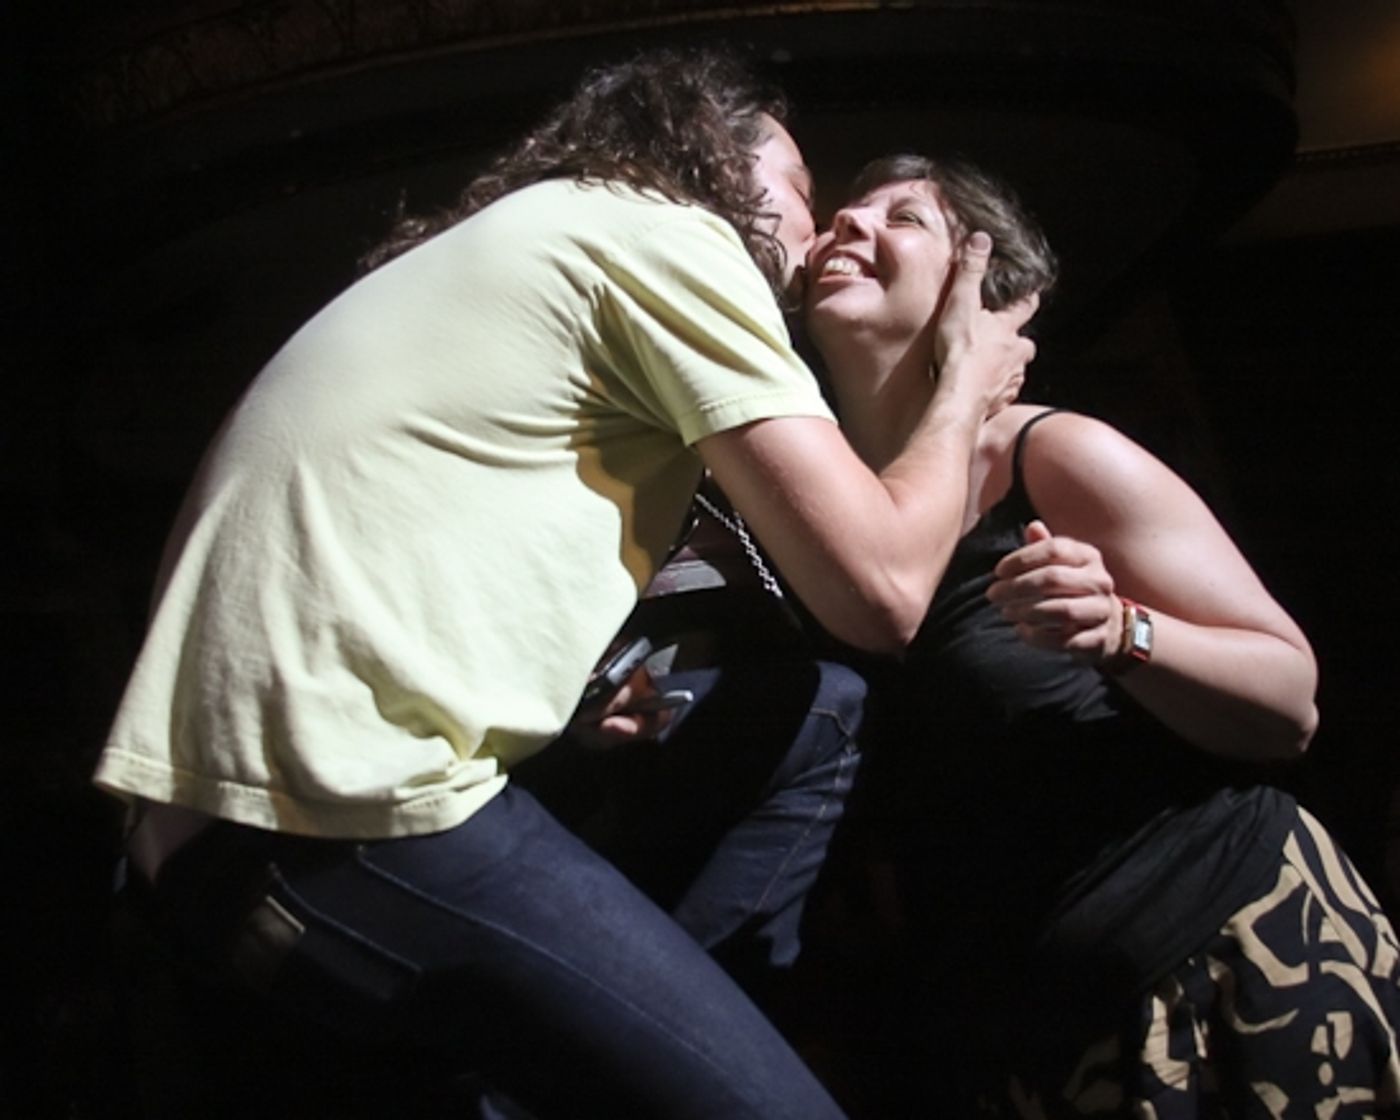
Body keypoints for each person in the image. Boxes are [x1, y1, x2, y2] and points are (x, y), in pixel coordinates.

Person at [93, 46, 1035, 1119]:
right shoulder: (663, 232)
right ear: (711, 157)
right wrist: (962, 377)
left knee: (817, 710)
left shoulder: (522, 245)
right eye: (803, 191)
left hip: (196, 844)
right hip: (343, 800)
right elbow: (881, 593)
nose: (818, 232)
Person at [803, 153, 1400, 1117]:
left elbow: (1291, 702)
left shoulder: (1055, 456)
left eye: (902, 217)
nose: (848, 229)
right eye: (839, 217)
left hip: (1225, 963)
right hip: (1041, 1036)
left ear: (987, 292)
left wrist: (1123, 631)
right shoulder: (822, 511)